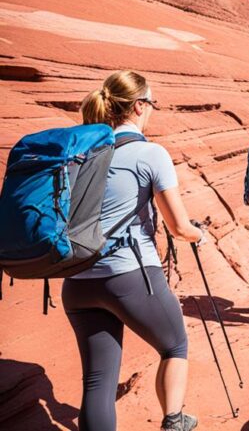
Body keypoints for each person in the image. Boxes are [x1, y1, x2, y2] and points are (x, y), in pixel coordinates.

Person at [66, 70, 206, 431]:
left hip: (77, 281)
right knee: (174, 346)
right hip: (128, 275)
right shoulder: (150, 153)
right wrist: (199, 236)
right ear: (140, 106)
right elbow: (178, 226)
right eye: (152, 103)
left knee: (97, 382)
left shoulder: (79, 155)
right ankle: (173, 421)